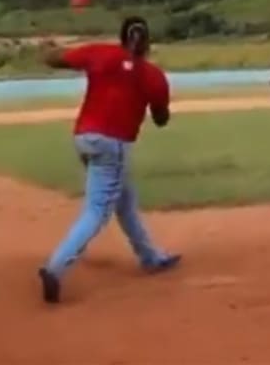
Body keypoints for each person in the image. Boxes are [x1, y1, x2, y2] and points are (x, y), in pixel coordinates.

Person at [37, 16, 180, 304]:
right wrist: (150, 98)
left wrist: (48, 45)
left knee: (124, 202)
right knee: (97, 211)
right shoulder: (152, 75)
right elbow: (162, 119)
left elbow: (54, 59)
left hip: (84, 138)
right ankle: (56, 267)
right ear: (146, 42)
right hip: (112, 145)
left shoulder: (100, 53)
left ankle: (150, 257)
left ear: (122, 37)